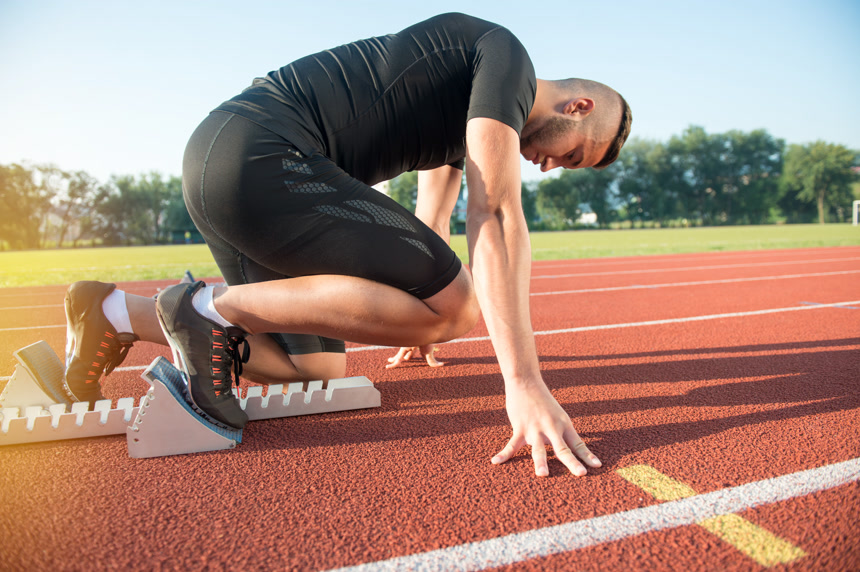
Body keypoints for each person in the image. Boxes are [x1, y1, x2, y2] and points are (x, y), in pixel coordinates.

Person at [62, 12, 632, 477]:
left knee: (313, 367)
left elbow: (430, 221)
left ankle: (113, 312)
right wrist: (523, 382)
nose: (553, 168)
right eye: (573, 154)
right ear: (577, 107)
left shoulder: (475, 121)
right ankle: (205, 309)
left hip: (225, 165)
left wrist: (414, 322)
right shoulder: (505, 56)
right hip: (262, 155)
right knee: (462, 305)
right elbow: (498, 214)